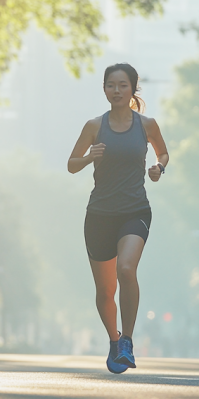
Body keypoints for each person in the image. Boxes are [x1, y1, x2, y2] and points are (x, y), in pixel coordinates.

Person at [68, 63, 169, 373]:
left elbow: (163, 154)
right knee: (105, 290)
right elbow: (72, 164)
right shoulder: (94, 126)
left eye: (123, 85)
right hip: (99, 215)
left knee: (126, 269)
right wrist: (89, 158)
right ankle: (113, 340)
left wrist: (158, 168)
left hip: (135, 210)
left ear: (133, 89)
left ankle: (127, 340)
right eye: (111, 85)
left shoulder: (147, 124)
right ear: (104, 89)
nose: (116, 90)